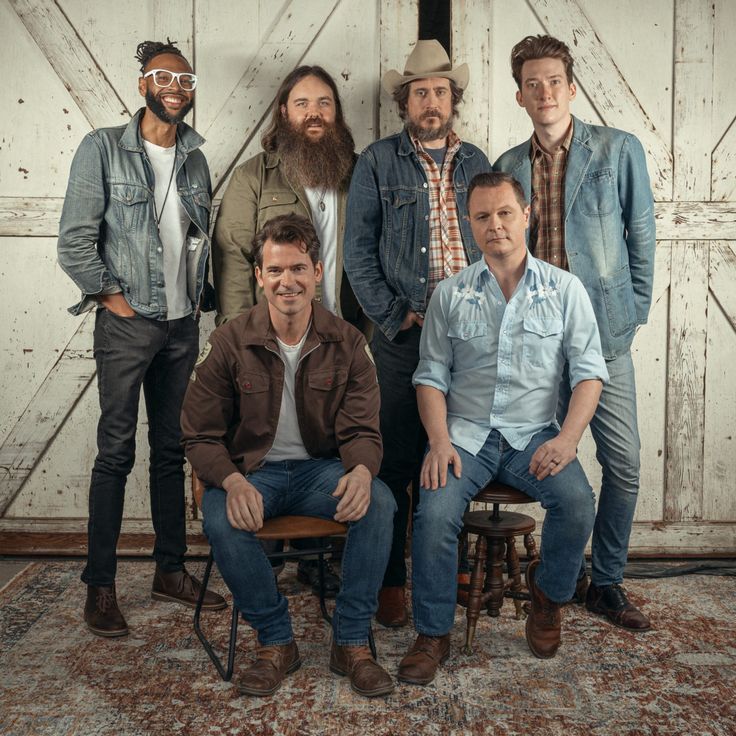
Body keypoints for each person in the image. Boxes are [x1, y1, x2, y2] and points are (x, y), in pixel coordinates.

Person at [399, 172, 608, 684]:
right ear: (470, 226)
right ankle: (432, 633)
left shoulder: (565, 289)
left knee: (577, 502)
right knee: (435, 510)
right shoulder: (450, 294)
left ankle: (547, 597)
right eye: (483, 217)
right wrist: (439, 441)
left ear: (526, 214)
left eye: (505, 213)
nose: (495, 226)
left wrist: (567, 440)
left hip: (534, 434)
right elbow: (430, 377)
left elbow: (589, 374)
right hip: (465, 435)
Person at [181, 214, 396, 698]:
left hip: (322, 472)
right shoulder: (228, 342)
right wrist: (232, 482)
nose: (287, 281)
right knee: (220, 516)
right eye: (275, 270)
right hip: (255, 473)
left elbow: (364, 428)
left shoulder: (349, 342)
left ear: (318, 272)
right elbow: (199, 435)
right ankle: (277, 642)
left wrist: (361, 472)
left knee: (379, 502)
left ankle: (352, 642)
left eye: (298, 268)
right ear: (259, 276)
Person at [57, 39, 226, 638]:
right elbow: (73, 241)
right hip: (128, 326)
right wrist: (115, 300)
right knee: (116, 453)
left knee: (171, 452)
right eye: (164, 77)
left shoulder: (196, 161)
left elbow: (201, 244)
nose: (177, 86)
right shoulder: (102, 148)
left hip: (182, 326)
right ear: (143, 85)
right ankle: (99, 588)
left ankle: (169, 572)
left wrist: (201, 309)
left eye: (186, 79)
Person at [495, 34, 656, 630]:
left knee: (625, 463)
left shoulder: (618, 151)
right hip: (539, 343)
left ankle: (607, 582)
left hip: (604, 338)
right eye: (532, 83)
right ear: (519, 94)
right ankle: (565, 571)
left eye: (554, 81)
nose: (544, 92)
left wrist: (631, 314)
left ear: (572, 87)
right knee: (553, 462)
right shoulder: (511, 166)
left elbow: (641, 240)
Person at [344, 39, 491, 627]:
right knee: (397, 461)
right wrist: (397, 315)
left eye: (440, 92)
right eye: (420, 93)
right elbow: (357, 252)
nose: (431, 102)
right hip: (404, 340)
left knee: (459, 455)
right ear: (404, 101)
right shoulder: (378, 161)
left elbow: (496, 240)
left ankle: (448, 570)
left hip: (470, 342)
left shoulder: (477, 160)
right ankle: (390, 582)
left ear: (453, 100)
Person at [213, 65, 365, 596]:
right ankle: (267, 557)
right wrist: (238, 338)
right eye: (302, 103)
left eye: (324, 102)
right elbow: (233, 259)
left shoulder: (354, 173)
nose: (314, 113)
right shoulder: (256, 175)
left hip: (339, 335)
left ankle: (320, 559)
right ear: (284, 111)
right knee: (266, 435)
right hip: (266, 335)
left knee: (328, 438)